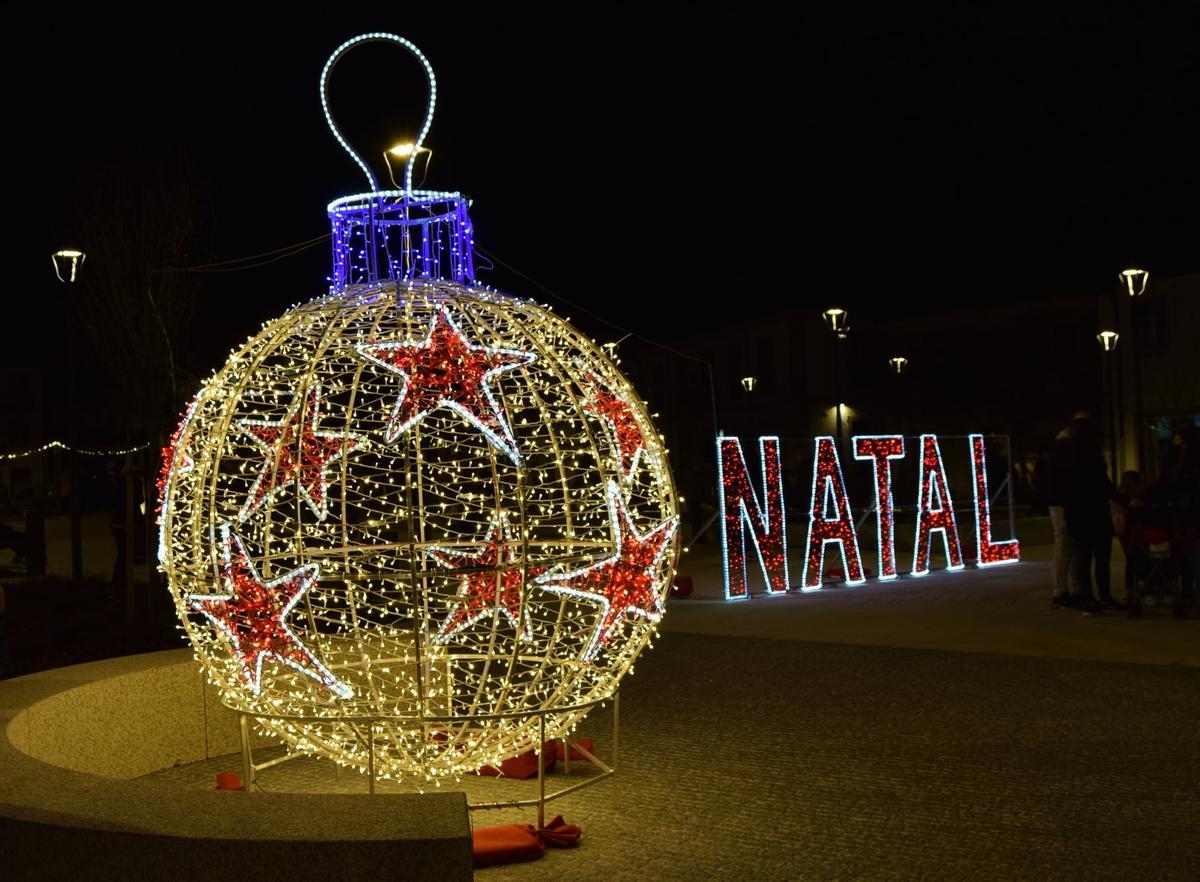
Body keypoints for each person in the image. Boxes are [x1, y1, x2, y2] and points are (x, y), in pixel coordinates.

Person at [1063, 417, 1132, 612]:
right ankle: (1103, 596)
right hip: (1096, 514)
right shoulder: (1092, 460)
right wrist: (1127, 501)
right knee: (1100, 558)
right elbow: (1105, 487)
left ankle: (1088, 598)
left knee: (1084, 559)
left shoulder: (1071, 458)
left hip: (1080, 516)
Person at [1046, 421, 1079, 608]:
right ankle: (1064, 589)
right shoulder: (1067, 453)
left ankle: (1063, 589)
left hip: (1058, 505)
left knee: (1064, 547)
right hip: (1064, 505)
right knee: (1066, 547)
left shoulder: (1055, 454)